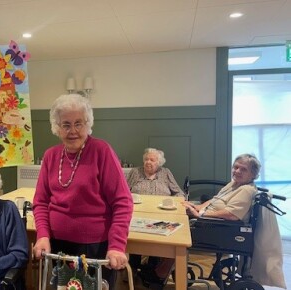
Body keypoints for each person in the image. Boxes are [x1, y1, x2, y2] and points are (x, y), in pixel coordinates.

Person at [32, 94, 133, 290]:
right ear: (57, 127)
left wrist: (117, 246)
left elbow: (122, 202)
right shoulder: (51, 156)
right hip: (58, 247)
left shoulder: (101, 151)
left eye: (78, 123)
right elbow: (41, 202)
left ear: (88, 124)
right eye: (66, 124)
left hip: (95, 247)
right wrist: (42, 235)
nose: (73, 131)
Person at [139, 153, 261, 288]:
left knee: (174, 234)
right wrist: (196, 207)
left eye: (243, 169)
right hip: (209, 221)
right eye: (236, 167)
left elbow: (231, 214)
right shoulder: (235, 184)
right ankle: (157, 264)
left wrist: (200, 214)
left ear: (253, 174)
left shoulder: (246, 190)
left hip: (218, 227)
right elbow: (214, 200)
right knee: (171, 217)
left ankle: (160, 273)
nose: (237, 171)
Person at [126, 148, 185, 277]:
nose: (148, 162)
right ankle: (133, 268)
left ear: (159, 162)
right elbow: (124, 191)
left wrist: (174, 203)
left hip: (161, 214)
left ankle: (153, 269)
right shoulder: (135, 172)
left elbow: (179, 193)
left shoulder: (165, 173)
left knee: (157, 241)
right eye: (146, 159)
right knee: (137, 238)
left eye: (152, 160)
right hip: (137, 212)